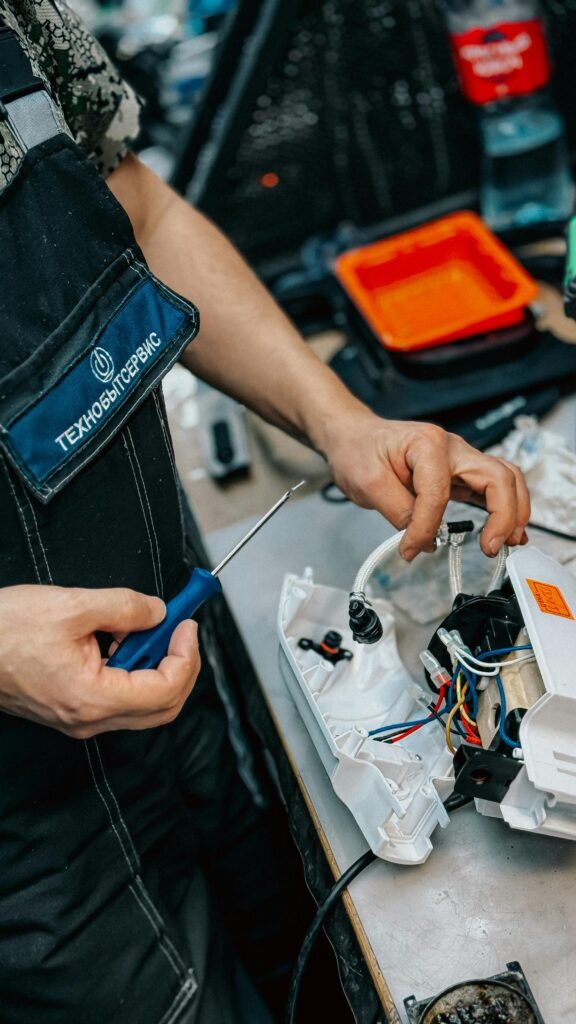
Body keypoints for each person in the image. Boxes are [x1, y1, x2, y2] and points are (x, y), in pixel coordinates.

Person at [0, 2, 530, 1022]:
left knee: (302, 954)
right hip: (30, 856)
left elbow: (137, 211)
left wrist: (337, 419)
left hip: (177, 680)